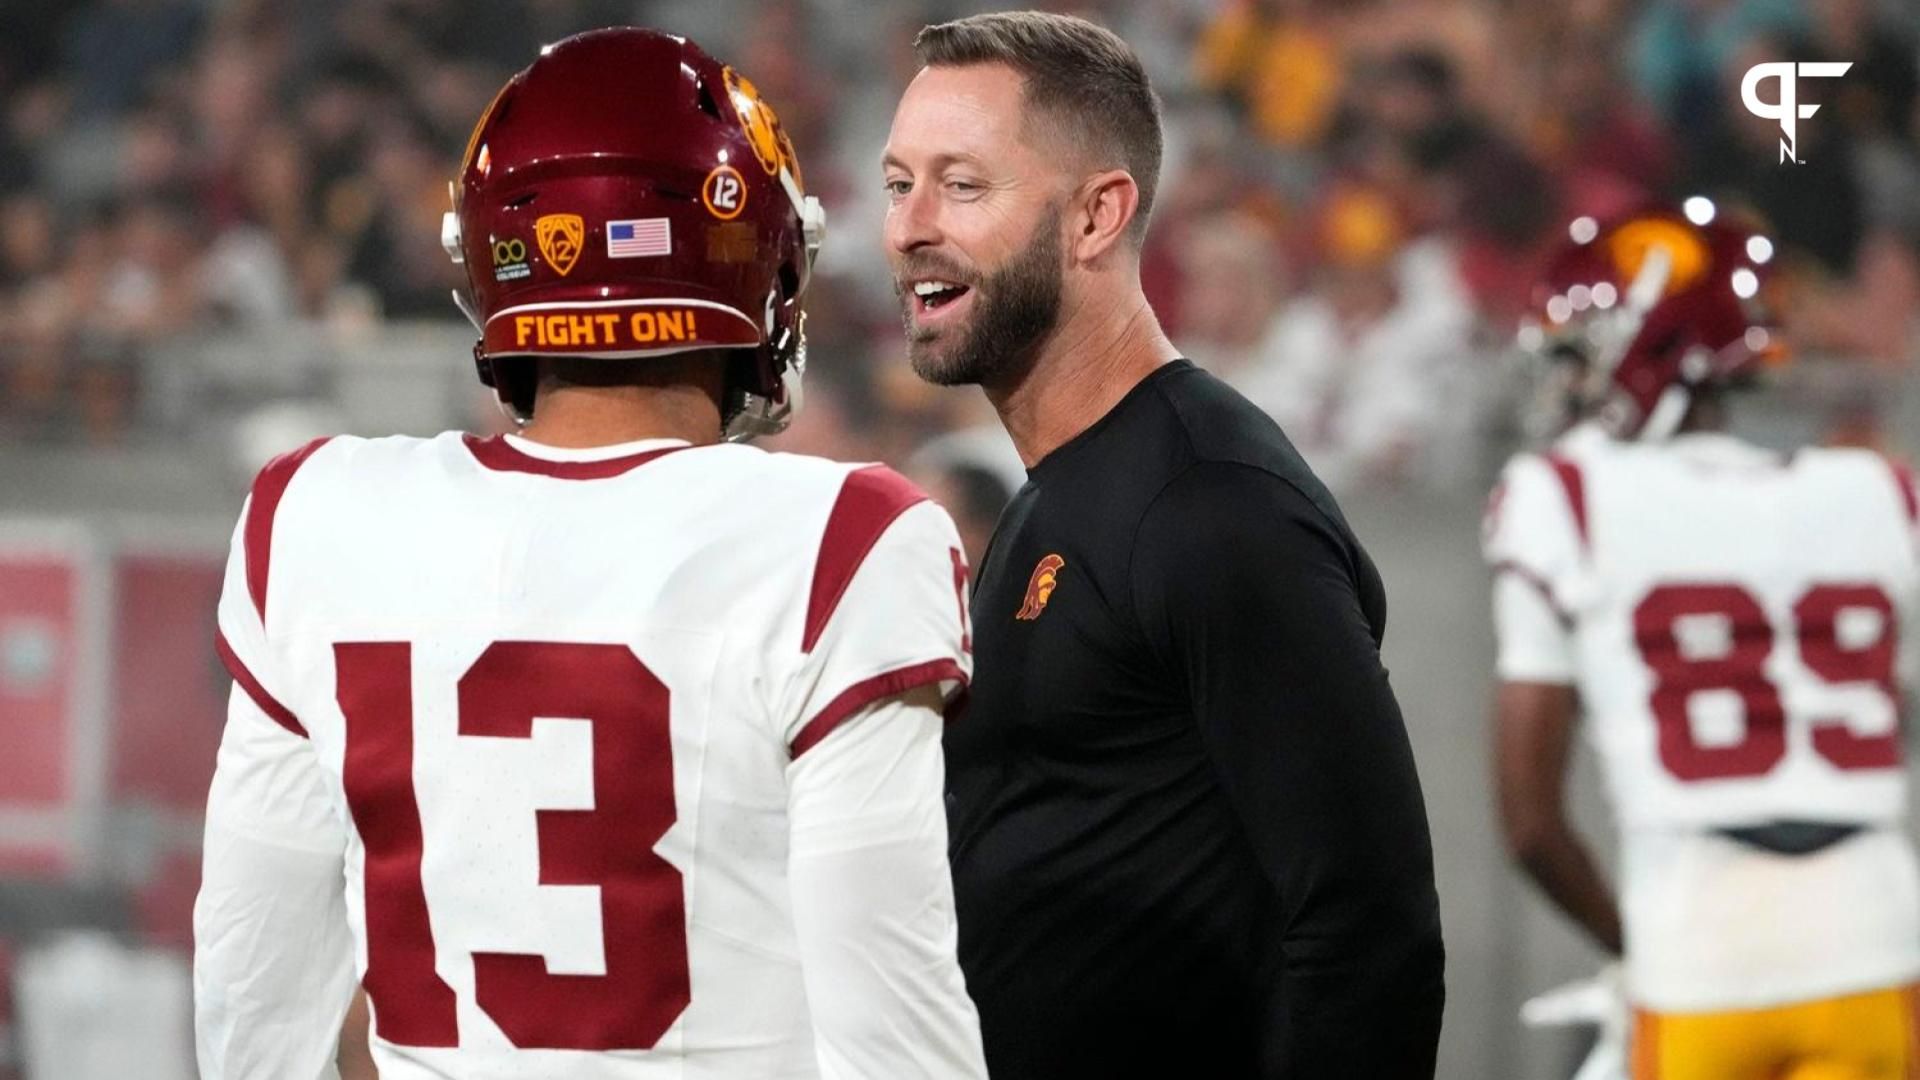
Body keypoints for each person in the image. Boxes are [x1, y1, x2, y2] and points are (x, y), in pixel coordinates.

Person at [192, 28, 988, 1080]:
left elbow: (255, 1000)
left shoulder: (314, 513)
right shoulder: (848, 539)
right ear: (758, 261)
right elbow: (894, 1036)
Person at [881, 11, 1446, 1077]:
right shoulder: (1057, 499)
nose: (909, 227)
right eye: (897, 182)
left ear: (1098, 217)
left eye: (962, 186)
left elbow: (1367, 934)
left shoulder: (1214, 505)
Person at [1487, 202, 1920, 1080]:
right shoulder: (1880, 492)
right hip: (1875, 944)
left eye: (1582, 359)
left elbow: (1532, 827)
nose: (1571, 386)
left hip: (1700, 952)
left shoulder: (1563, 495)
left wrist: (1631, 947)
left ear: (1648, 353)